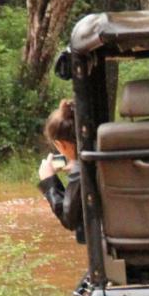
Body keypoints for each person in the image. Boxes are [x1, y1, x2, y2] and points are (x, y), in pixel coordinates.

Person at [37, 99, 84, 243]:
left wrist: (49, 181)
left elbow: (69, 219)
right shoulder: (114, 150)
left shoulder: (82, 172)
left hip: (114, 247)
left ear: (61, 145)